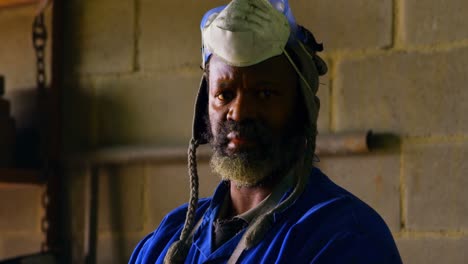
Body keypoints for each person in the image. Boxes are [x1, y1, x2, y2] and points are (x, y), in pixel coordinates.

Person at [129, 0, 402, 263]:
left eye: (264, 93)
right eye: (224, 94)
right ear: (205, 107)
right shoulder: (165, 242)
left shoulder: (343, 238)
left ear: (302, 109)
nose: (239, 111)